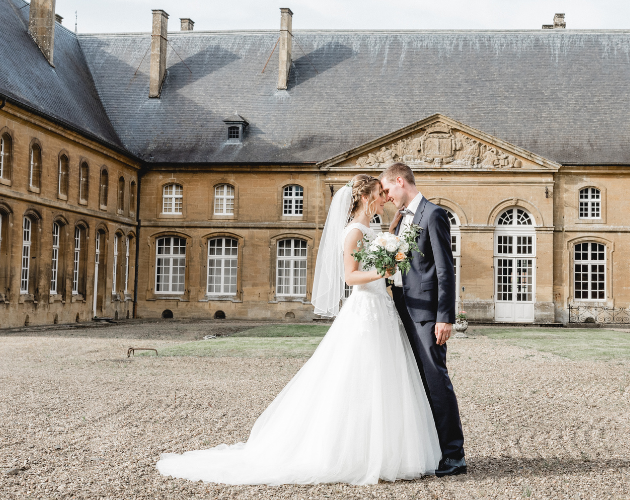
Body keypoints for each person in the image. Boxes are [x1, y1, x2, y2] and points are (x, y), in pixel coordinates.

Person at [156, 174, 441, 486]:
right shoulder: (353, 232)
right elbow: (350, 277)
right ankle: (355, 453)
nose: (385, 197)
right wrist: (382, 271)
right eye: (379, 193)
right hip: (365, 311)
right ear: (365, 197)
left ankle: (387, 450)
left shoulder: (371, 229)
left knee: (385, 378)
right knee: (360, 377)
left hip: (381, 310)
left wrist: (390, 249)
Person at [379, 162, 467, 477]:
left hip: (427, 315)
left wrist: (446, 317)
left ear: (400, 181)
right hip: (402, 309)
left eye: (387, 189)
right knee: (414, 383)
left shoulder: (433, 214)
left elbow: (445, 269)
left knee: (435, 380)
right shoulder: (401, 219)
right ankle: (429, 450)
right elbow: (405, 265)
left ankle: (454, 455)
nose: (386, 196)